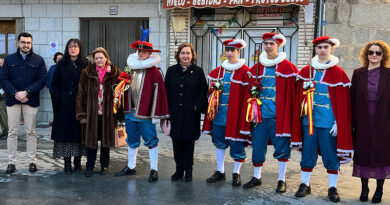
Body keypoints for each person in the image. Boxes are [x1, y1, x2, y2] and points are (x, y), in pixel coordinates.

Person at [292, 36, 353, 202]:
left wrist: (339, 122)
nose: (322, 50)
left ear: (331, 48)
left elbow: (343, 103)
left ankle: (332, 187)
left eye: (325, 47)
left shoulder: (339, 73)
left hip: (328, 123)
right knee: (307, 154)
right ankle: (305, 184)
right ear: (315, 50)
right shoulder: (306, 72)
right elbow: (298, 97)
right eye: (319, 48)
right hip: (308, 122)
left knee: (330, 155)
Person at [244, 33, 298, 192]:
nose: (268, 46)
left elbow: (293, 93)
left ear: (278, 46)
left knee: (282, 148)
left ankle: (281, 180)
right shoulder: (257, 67)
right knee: (258, 146)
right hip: (259, 116)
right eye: (266, 43)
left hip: (278, 116)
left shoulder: (288, 67)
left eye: (271, 44)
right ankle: (257, 177)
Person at [115, 38, 170, 182]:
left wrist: (156, 114)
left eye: (144, 51)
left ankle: (154, 169)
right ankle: (131, 166)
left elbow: (159, 93)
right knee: (131, 139)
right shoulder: (130, 68)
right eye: (139, 51)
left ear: (149, 54)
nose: (141, 53)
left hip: (145, 113)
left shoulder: (154, 72)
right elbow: (122, 85)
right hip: (130, 111)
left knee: (151, 140)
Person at [203, 39, 251, 187]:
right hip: (219, 115)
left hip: (236, 116)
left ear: (238, 52)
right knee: (219, 142)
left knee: (237, 144)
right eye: (227, 50)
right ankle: (220, 171)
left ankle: (236, 172)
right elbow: (210, 93)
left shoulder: (245, 72)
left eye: (232, 50)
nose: (229, 53)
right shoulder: (218, 71)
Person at [1, 32, 47, 174]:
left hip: (30, 100)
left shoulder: (38, 60)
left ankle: (32, 161)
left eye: (28, 42)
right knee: (12, 132)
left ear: (31, 44)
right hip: (12, 100)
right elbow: (3, 79)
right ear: (18, 43)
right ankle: (11, 162)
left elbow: (42, 80)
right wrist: (16, 93)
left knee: (30, 132)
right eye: (23, 42)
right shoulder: (9, 59)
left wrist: (26, 92)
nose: (26, 45)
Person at [351, 40, 390, 203]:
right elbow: (352, 97)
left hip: (384, 119)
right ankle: (364, 188)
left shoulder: (389, 74)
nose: (374, 55)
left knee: (381, 154)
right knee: (363, 153)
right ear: (366, 55)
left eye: (378, 53)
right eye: (371, 52)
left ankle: (379, 190)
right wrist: (351, 122)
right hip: (362, 118)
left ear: (383, 56)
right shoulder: (358, 73)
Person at [164, 42, 208, 182]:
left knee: (189, 143)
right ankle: (179, 170)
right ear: (178, 55)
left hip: (191, 114)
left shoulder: (198, 71)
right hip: (175, 113)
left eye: (188, 53)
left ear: (192, 55)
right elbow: (165, 91)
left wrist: (196, 106)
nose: (185, 56)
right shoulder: (171, 71)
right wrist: (166, 112)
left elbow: (203, 91)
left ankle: (188, 170)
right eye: (183, 53)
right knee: (176, 141)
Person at [76, 47, 121, 177]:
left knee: (106, 142)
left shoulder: (115, 71)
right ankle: (89, 167)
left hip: (108, 114)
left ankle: (104, 166)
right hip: (92, 114)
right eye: (96, 58)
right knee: (91, 142)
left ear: (106, 58)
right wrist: (82, 114)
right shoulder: (87, 72)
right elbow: (81, 94)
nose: (99, 60)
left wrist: (119, 114)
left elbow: (120, 93)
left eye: (101, 57)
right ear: (93, 60)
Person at [50, 39, 87, 175]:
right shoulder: (62, 64)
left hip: (81, 105)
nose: (73, 49)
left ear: (80, 48)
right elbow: (54, 83)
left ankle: (77, 162)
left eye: (75, 46)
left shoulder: (85, 64)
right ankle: (67, 163)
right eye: (70, 46)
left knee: (80, 134)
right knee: (66, 135)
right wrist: (59, 97)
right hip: (64, 105)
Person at [46, 51, 63, 122]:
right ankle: (55, 121)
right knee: (55, 107)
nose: (59, 60)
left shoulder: (66, 68)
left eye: (61, 58)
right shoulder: (52, 68)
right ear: (55, 59)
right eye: (58, 58)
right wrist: (50, 88)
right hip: (53, 92)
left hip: (63, 93)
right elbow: (48, 79)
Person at [0, 53, 8, 139]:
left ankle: (8, 131)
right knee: (1, 115)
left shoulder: (6, 70)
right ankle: (4, 131)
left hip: (4, 96)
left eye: (1, 59)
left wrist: (2, 92)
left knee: (4, 114)